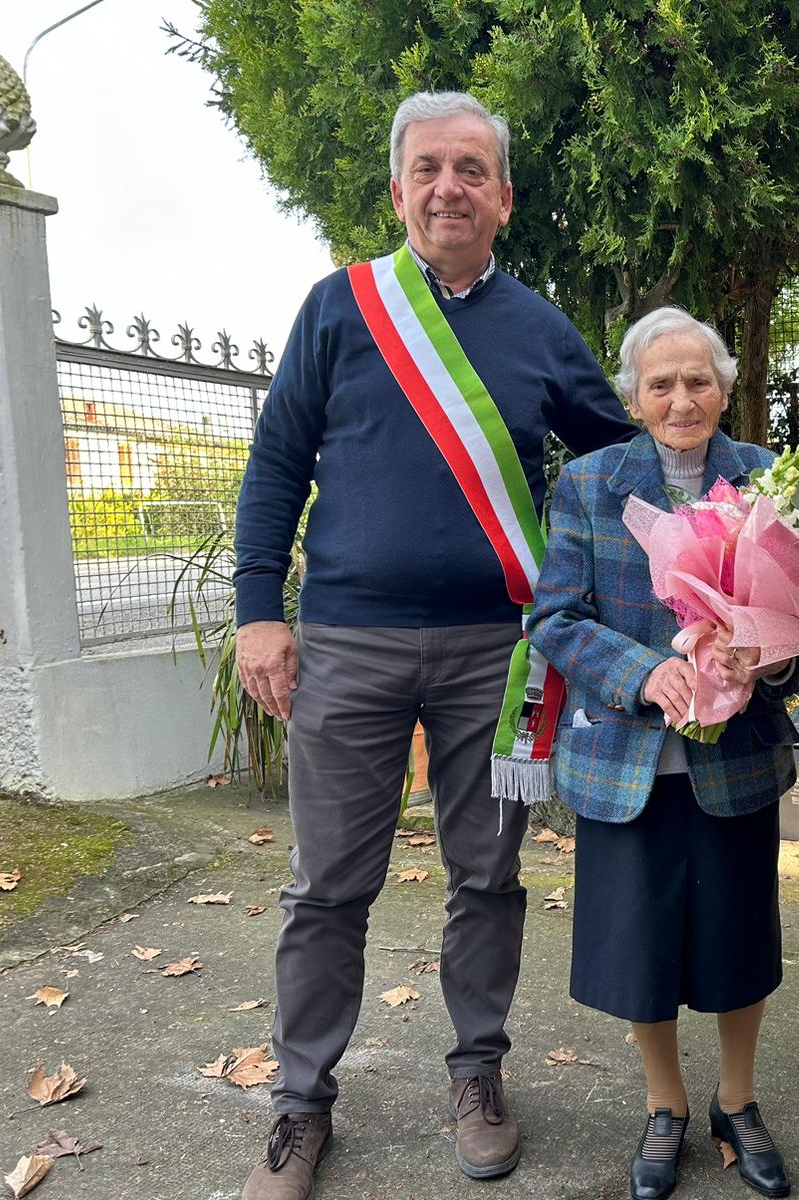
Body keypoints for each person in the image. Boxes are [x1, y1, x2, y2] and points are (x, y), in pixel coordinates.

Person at [231, 91, 636, 1199]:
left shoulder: (541, 329)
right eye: (428, 169)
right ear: (398, 189)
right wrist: (259, 611)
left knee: (488, 878)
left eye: (470, 170)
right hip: (346, 646)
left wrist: (718, 532)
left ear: (503, 197)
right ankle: (300, 1104)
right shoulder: (339, 308)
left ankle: (477, 1073)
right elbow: (276, 466)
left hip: (497, 658)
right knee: (326, 888)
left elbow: (621, 466)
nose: (448, 188)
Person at [528, 307, 799, 1200]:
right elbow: (555, 616)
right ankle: (665, 1104)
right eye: (661, 384)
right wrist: (643, 672)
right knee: (639, 948)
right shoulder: (589, 482)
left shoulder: (767, 478)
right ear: (634, 397)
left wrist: (767, 653)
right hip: (626, 758)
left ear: (723, 389)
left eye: (698, 381)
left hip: (736, 758)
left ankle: (738, 1101)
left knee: (738, 940)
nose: (681, 399)